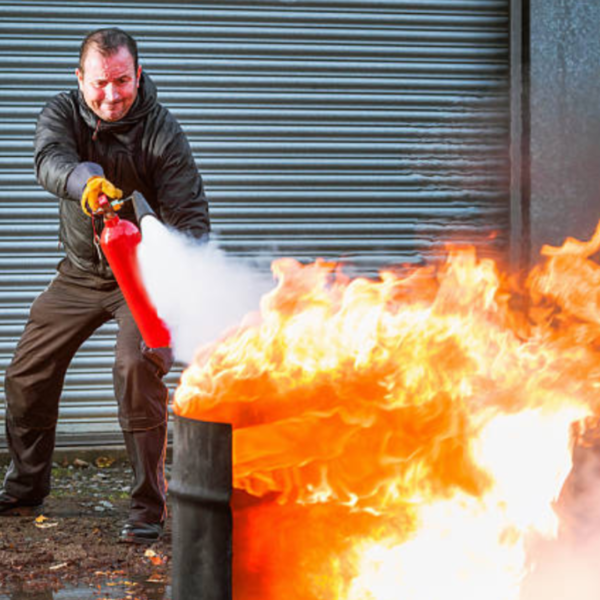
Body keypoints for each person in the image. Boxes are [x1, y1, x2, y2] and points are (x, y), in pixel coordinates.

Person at [0, 27, 210, 544]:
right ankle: (26, 486)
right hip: (78, 273)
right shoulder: (62, 113)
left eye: (121, 81)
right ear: (80, 79)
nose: (111, 95)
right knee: (26, 376)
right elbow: (49, 159)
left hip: (138, 279)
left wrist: (165, 261)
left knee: (136, 369)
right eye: (99, 83)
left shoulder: (164, 134)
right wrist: (84, 182)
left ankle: (146, 508)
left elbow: (191, 222)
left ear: (137, 75)